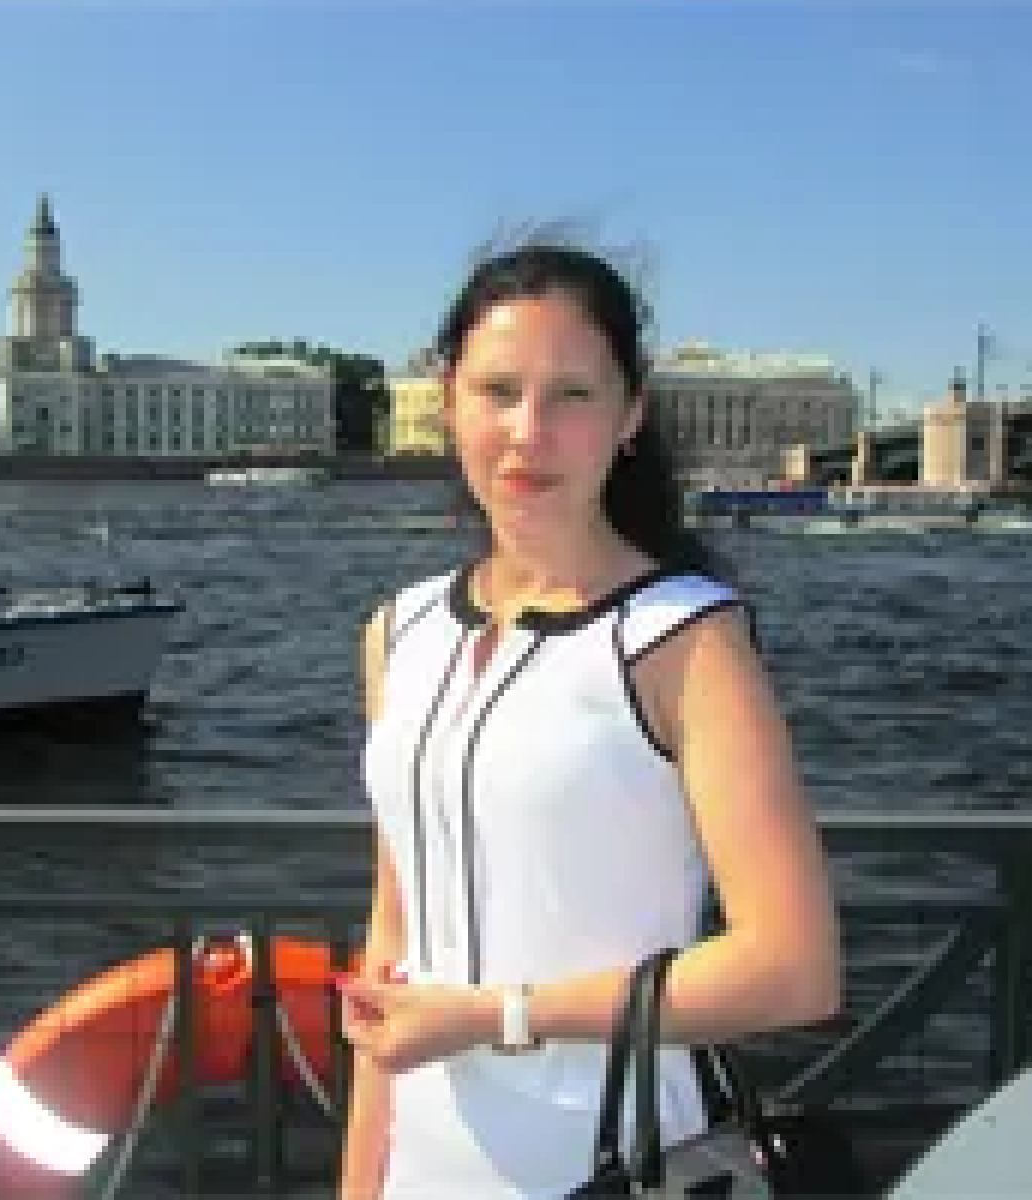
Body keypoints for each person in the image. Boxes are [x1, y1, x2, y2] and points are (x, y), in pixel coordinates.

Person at [337, 242, 843, 1199]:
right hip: (423, 1164)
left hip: (621, 1158)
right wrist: (362, 1182)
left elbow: (794, 969)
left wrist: (497, 1017)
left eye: (571, 395)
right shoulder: (398, 633)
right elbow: (392, 943)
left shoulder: (684, 639)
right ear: (448, 399)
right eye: (498, 391)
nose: (528, 432)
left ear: (629, 413)